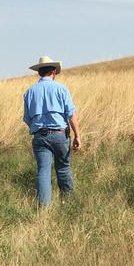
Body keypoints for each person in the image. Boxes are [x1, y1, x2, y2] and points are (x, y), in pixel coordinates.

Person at [23, 56, 82, 206]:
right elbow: (71, 114)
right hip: (60, 134)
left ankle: (44, 208)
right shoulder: (61, 89)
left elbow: (27, 118)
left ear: (39, 73)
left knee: (43, 171)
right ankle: (68, 203)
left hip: (39, 136)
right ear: (54, 72)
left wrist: (37, 128)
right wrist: (77, 136)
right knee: (63, 168)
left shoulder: (29, 92)